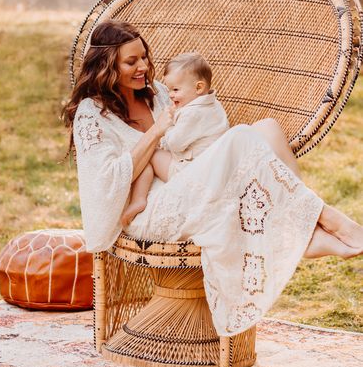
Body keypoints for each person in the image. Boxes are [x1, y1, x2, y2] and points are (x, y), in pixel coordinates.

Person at [63, 20, 363, 336]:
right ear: (107, 66)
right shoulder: (92, 114)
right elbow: (105, 184)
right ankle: (326, 223)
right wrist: (156, 132)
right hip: (147, 207)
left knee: (268, 131)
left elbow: (198, 125)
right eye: (131, 61)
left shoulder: (158, 94)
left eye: (144, 57)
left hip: (186, 175)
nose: (144, 67)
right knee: (242, 138)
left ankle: (298, 230)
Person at [121, 52, 229, 226]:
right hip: (213, 167)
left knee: (151, 154)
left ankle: (138, 200)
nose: (170, 95)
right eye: (169, 89)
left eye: (175, 90)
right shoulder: (214, 106)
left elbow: (175, 144)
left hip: (191, 173)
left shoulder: (192, 114)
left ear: (199, 88)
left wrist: (168, 124)